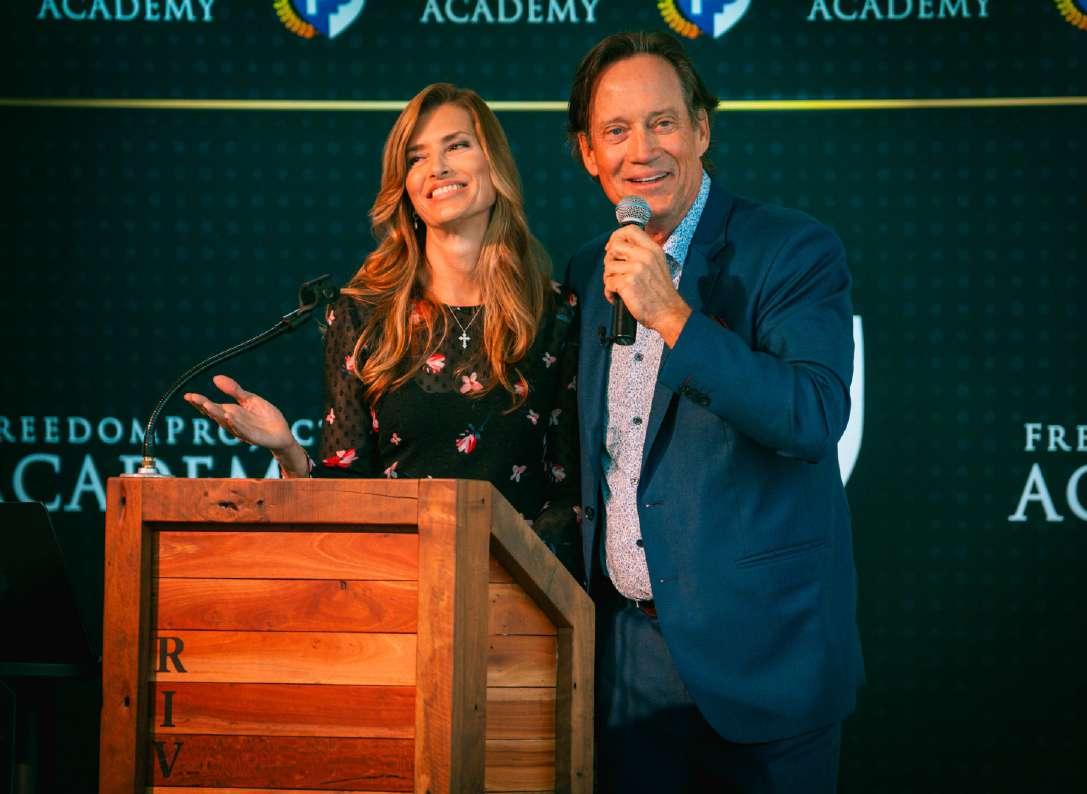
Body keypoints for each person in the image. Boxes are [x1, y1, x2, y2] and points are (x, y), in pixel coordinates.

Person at [562, 32, 864, 792]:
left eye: (662, 122)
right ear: (588, 153)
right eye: (616, 131)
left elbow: (811, 416)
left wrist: (673, 317)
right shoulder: (586, 272)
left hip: (766, 661)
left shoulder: (791, 250)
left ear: (701, 129)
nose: (642, 150)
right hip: (624, 664)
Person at [185, 82, 581, 574]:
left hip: (520, 591)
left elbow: (569, 490)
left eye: (457, 145)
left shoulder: (556, 312)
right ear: (405, 186)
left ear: (493, 162)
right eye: (416, 158)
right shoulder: (361, 315)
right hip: (395, 588)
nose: (437, 168)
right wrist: (289, 453)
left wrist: (513, 579)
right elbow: (348, 490)